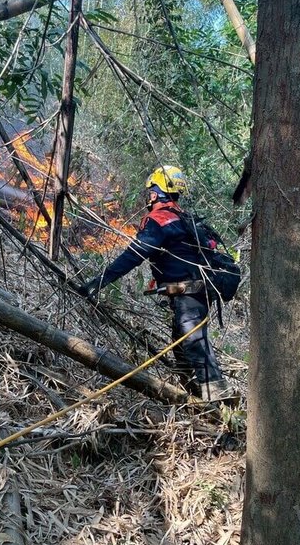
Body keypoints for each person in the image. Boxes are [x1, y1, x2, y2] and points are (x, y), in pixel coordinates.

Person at [80, 165, 231, 403]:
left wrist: (99, 282)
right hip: (198, 293)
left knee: (195, 346)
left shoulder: (159, 219)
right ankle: (193, 399)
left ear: (156, 192)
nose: (148, 195)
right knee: (183, 349)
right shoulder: (184, 217)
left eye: (151, 190)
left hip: (188, 294)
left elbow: (134, 254)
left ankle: (220, 404)